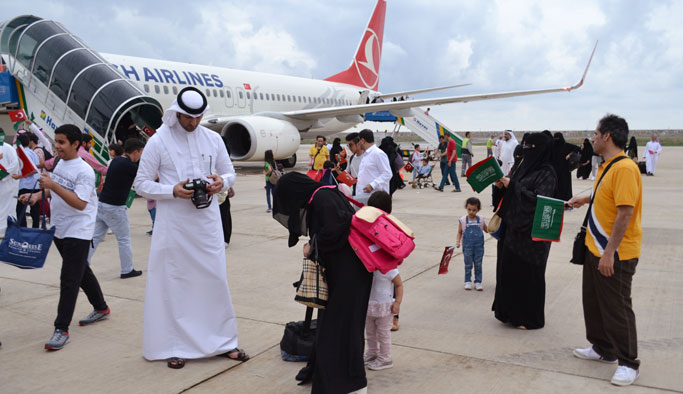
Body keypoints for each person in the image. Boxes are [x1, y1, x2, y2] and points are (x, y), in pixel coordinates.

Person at [133, 87, 248, 369]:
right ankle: (173, 346)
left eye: (197, 118)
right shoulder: (159, 141)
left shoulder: (212, 138)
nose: (193, 123)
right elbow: (141, 183)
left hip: (207, 223)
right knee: (176, 283)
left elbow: (229, 171)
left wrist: (223, 182)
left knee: (215, 280)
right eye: (188, 117)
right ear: (177, 112)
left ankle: (223, 342)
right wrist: (171, 190)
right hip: (175, 225)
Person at [273, 172, 372, 393]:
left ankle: (348, 382)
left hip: (349, 275)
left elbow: (337, 229)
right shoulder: (324, 193)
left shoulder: (321, 199)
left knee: (339, 329)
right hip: (349, 272)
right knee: (338, 327)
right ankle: (341, 375)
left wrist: (312, 247)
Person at [568, 114, 642, 386]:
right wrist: (583, 198)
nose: (593, 138)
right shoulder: (607, 166)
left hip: (615, 252)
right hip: (594, 246)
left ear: (608, 136)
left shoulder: (624, 168)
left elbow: (625, 212)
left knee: (617, 307)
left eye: (596, 133)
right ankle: (602, 348)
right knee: (594, 302)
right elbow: (605, 194)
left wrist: (610, 252)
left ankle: (629, 362)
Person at [20, 124, 110, 350]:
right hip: (59, 228)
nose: (57, 146)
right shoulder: (60, 164)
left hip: (79, 230)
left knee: (69, 279)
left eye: (61, 142)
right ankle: (101, 307)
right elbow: (56, 189)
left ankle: (61, 329)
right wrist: (39, 195)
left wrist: (52, 185)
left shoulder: (84, 170)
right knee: (81, 272)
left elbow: (80, 203)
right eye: (56, 141)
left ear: (75, 144)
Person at [491, 132, 557, 330]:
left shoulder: (547, 173)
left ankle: (527, 317)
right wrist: (502, 184)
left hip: (531, 235)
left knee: (528, 275)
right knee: (509, 271)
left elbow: (540, 200)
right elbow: (513, 186)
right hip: (513, 229)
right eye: (525, 146)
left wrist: (513, 186)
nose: (526, 151)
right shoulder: (522, 166)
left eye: (531, 148)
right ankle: (508, 313)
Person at [88, 138, 145, 279]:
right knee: (124, 239)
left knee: (95, 238)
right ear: (136, 151)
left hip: (102, 204)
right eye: (141, 153)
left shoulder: (116, 161)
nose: (141, 156)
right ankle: (127, 270)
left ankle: (82, 265)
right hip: (115, 207)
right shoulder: (129, 166)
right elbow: (147, 178)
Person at [364, 266, 403, 371]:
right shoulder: (368, 267)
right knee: (370, 333)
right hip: (369, 307)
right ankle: (372, 353)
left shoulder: (390, 268)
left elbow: (399, 285)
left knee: (383, 334)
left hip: (385, 308)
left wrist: (397, 302)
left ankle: (386, 358)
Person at [456, 197, 487, 291]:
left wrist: (495, 227)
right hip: (467, 246)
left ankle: (478, 282)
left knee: (478, 264)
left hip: (479, 247)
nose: (471, 212)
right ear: (466, 208)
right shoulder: (463, 220)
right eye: (469, 209)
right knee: (468, 264)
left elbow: (487, 229)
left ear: (478, 210)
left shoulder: (481, 219)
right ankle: (468, 281)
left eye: (474, 210)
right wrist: (457, 241)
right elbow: (460, 232)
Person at [356, 129, 392, 204]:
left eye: (358, 141)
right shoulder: (366, 155)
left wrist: (373, 185)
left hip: (375, 198)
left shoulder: (378, 154)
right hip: (364, 196)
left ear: (362, 140)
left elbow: (387, 173)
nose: (358, 144)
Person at [13, 133, 41, 228]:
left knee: (20, 209)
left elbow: (33, 170)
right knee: (35, 209)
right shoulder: (33, 152)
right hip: (35, 185)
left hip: (26, 185)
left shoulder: (24, 154)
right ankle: (35, 228)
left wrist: (19, 176)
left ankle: (23, 228)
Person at [0, 127, 20, 238]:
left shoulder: (9, 149)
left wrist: (3, 174)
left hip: (7, 184)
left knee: (8, 208)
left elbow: (14, 164)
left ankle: (7, 231)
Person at [551, 132, 579, 201]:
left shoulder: (566, 146)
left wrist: (570, 154)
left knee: (564, 186)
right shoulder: (552, 146)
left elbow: (577, 148)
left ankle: (565, 202)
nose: (557, 140)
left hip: (563, 170)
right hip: (556, 170)